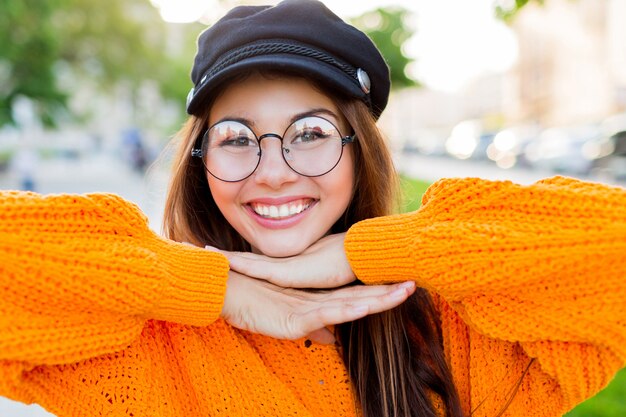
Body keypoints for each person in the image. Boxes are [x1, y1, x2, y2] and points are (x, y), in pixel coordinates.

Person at [0, 1, 625, 417]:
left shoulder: (463, 342)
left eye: (310, 134)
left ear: (360, 154)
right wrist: (219, 293)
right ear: (200, 163)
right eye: (237, 139)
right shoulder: (144, 349)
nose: (272, 172)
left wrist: (377, 250)